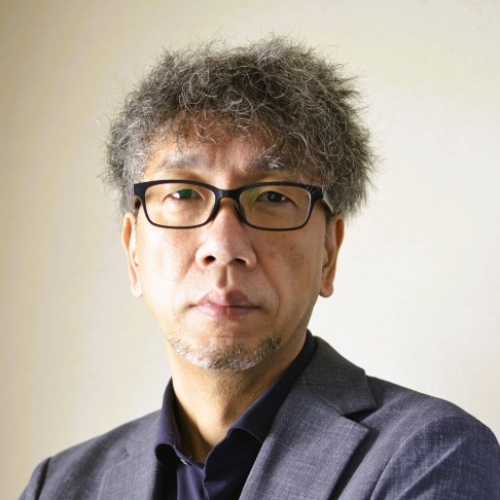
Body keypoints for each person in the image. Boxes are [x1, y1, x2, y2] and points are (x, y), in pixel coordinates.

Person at [20, 37, 500, 500]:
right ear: (133, 253)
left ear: (329, 252)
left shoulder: (433, 454)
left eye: (272, 196)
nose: (224, 246)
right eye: (183, 193)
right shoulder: (58, 485)